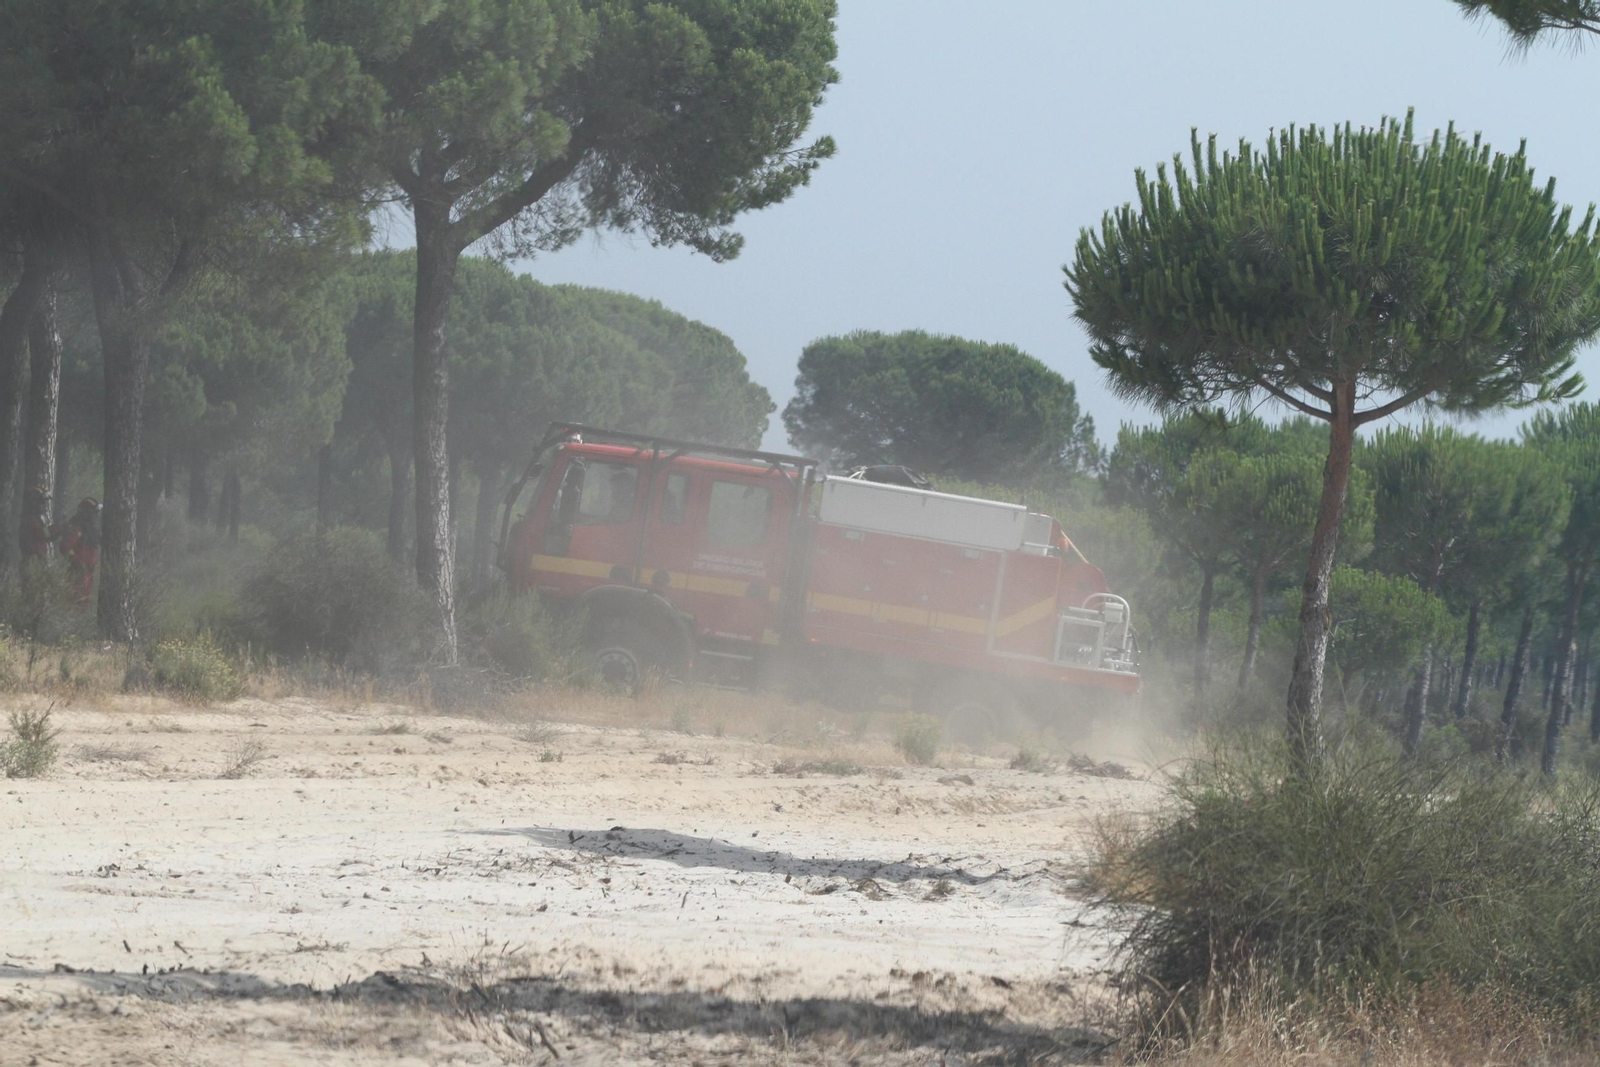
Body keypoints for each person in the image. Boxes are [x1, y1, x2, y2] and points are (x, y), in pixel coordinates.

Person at [58, 497, 101, 609]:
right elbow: (65, 546)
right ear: (86, 513)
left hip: (87, 573)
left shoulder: (92, 529)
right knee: (75, 602)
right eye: (93, 513)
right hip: (78, 573)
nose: (95, 516)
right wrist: (75, 561)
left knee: (84, 603)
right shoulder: (77, 528)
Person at [18, 485, 55, 563]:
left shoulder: (39, 519)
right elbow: (41, 533)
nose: (44, 505)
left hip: (39, 556)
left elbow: (47, 536)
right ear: (34, 503)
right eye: (41, 502)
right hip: (32, 558)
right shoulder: (30, 519)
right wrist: (57, 527)